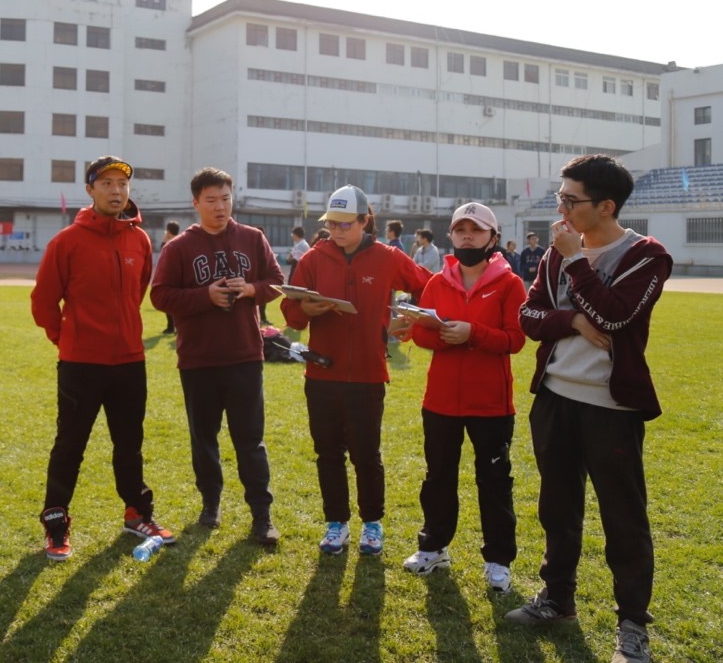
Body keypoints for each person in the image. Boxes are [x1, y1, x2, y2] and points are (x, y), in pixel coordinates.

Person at [505, 155, 672, 663]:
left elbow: (615, 318)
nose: (560, 209)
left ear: (606, 206)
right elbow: (529, 316)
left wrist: (577, 263)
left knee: (624, 517)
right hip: (555, 397)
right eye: (560, 197)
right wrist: (573, 322)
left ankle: (632, 626)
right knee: (557, 509)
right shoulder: (558, 251)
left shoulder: (646, 255)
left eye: (570, 200)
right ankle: (558, 600)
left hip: (610, 406)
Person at [31, 156, 173, 561]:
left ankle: (137, 513)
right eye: (107, 183)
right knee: (69, 445)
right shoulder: (66, 242)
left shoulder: (139, 241)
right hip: (81, 364)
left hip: (129, 360)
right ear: (90, 190)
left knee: (129, 443)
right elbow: (43, 302)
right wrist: (68, 340)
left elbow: (138, 291)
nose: (116, 191)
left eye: (122, 184)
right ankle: (56, 523)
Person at [281, 185, 430, 556]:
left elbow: (428, 286)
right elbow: (292, 313)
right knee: (328, 453)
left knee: (366, 455)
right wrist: (305, 310)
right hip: (321, 375)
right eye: (332, 223)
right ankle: (336, 523)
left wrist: (411, 320)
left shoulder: (387, 257)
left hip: (368, 375)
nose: (337, 230)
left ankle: (372, 523)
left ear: (365, 221)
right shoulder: (313, 259)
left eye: (345, 223)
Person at [394, 203, 525, 595]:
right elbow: (421, 333)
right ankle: (433, 547)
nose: (468, 236)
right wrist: (444, 335)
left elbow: (515, 339)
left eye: (476, 230)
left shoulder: (510, 283)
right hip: (441, 401)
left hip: (491, 404)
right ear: (451, 235)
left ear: (493, 238)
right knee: (438, 478)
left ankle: (498, 561)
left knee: (494, 482)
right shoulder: (437, 282)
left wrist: (474, 333)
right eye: (460, 229)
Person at [151, 168, 285, 544]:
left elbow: (277, 282)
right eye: (211, 200)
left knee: (250, 439)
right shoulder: (179, 247)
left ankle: (261, 515)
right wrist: (204, 296)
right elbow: (160, 295)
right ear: (196, 203)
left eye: (225, 198)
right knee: (204, 438)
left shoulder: (252, 238)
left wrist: (251, 289)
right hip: (199, 359)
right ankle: (210, 503)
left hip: (245, 355)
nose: (220, 207)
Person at [160, 220, 181, 334]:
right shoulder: (181, 240)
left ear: (168, 230)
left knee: (170, 303)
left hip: (171, 276)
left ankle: (172, 327)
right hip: (177, 275)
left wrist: (165, 237)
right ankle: (173, 327)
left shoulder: (170, 243)